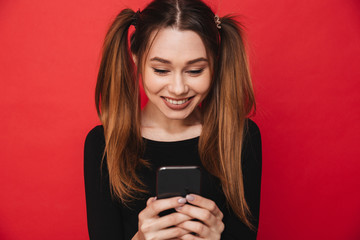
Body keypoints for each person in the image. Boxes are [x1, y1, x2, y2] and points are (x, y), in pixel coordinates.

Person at [84, 0, 262, 239]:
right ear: (136, 59)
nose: (178, 88)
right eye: (161, 70)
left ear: (215, 63)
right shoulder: (103, 143)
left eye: (195, 70)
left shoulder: (241, 138)